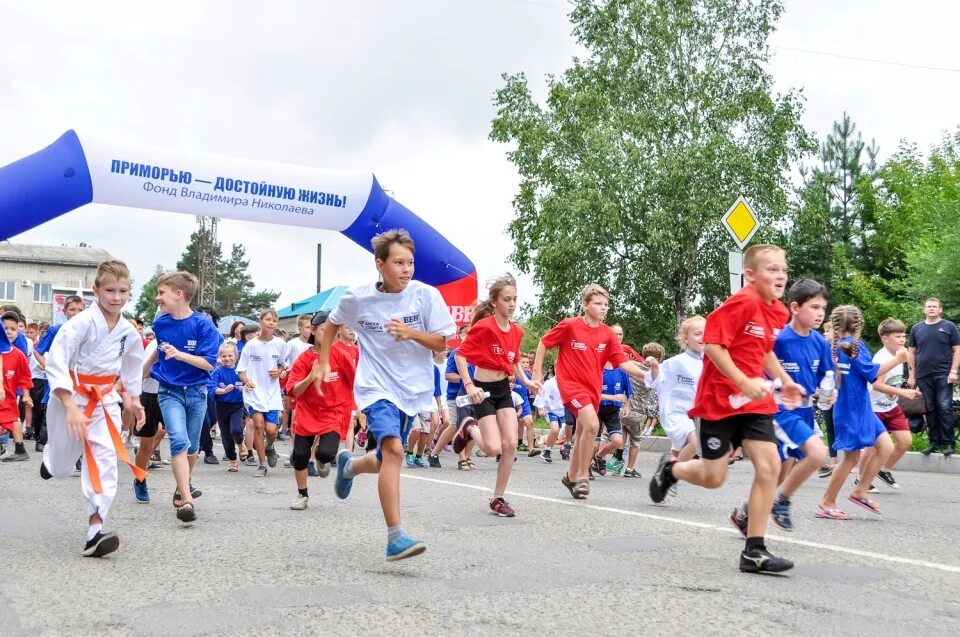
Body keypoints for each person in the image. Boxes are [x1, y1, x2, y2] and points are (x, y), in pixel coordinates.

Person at [647, 244, 803, 574]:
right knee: (713, 477)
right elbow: (714, 346)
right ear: (750, 274)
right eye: (771, 269)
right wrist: (742, 381)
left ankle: (754, 550)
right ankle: (671, 469)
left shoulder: (777, 311)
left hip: (755, 403)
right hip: (718, 402)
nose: (780, 275)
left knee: (770, 465)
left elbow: (763, 353)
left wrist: (785, 380)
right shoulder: (741, 303)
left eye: (783, 270)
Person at [322, 229, 456, 560]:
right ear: (380, 265)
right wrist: (322, 361)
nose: (407, 269)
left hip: (412, 390)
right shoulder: (359, 297)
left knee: (385, 459)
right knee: (395, 450)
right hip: (375, 387)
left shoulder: (425, 296)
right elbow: (330, 327)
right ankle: (395, 536)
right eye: (399, 263)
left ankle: (350, 466)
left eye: (410, 263)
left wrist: (411, 333)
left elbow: (443, 344)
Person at [39, 260, 146, 557]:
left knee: (104, 458)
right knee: (62, 467)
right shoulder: (79, 324)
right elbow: (57, 364)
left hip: (105, 400)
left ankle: (95, 528)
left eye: (123, 290)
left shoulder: (128, 330)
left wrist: (134, 399)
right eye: (110, 290)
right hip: (71, 397)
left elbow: (133, 364)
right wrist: (71, 406)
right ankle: (50, 459)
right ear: (95, 289)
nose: (116, 297)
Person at [730, 280, 831, 534]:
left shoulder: (819, 342)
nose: (820, 313)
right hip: (780, 410)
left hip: (806, 410)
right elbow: (759, 368)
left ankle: (744, 512)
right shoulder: (780, 339)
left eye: (823, 308)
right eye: (814, 307)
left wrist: (829, 391)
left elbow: (825, 375)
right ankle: (781, 502)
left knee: (780, 472)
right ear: (795, 307)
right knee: (817, 454)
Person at [532, 284, 648, 500]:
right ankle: (583, 476)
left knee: (584, 432)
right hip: (571, 386)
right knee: (593, 425)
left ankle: (570, 476)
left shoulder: (607, 334)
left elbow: (622, 363)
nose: (603, 308)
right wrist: (537, 374)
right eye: (598, 304)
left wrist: (649, 375)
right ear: (585, 305)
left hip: (592, 389)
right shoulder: (570, 326)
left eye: (606, 305)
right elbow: (544, 343)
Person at [453, 274, 540, 516]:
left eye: (515, 299)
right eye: (506, 299)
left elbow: (513, 361)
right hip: (482, 389)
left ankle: (498, 497)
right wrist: (470, 386)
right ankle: (469, 428)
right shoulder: (484, 327)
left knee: (510, 444)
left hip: (503, 389)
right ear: (494, 302)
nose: (512, 304)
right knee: (491, 448)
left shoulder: (517, 331)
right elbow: (460, 356)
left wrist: (526, 381)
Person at [817, 305, 908, 519]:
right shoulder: (853, 346)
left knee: (885, 446)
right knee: (850, 458)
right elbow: (872, 374)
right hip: (851, 410)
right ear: (859, 324)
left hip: (861, 407)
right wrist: (898, 359)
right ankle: (826, 502)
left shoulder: (840, 345)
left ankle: (860, 491)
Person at [147, 271, 220, 523]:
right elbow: (156, 354)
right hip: (169, 391)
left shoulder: (203, 325)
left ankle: (182, 485)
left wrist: (179, 354)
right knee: (178, 441)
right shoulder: (161, 324)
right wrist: (134, 379)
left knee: (192, 447)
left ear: (179, 295)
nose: (158, 298)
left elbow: (209, 364)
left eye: (162, 293)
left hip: (197, 392)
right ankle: (187, 501)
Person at [286, 310, 359, 510]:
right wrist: (310, 377)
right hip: (307, 411)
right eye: (324, 330)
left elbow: (356, 382)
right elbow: (293, 390)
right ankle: (302, 494)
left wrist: (359, 408)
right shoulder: (303, 359)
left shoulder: (341, 355)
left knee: (327, 452)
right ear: (314, 330)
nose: (329, 334)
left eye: (332, 331)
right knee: (300, 456)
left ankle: (321, 458)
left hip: (333, 412)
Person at [866, 318, 923, 489]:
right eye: (897, 337)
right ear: (885, 339)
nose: (902, 340)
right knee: (874, 448)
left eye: (903, 336)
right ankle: (862, 479)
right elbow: (875, 383)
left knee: (905, 441)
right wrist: (902, 392)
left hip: (891, 406)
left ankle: (883, 469)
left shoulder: (900, 355)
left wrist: (910, 381)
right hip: (875, 408)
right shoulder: (882, 358)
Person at [644, 318, 705, 470]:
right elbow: (655, 380)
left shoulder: (709, 362)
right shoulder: (677, 362)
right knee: (695, 441)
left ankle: (667, 469)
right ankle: (669, 474)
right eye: (698, 334)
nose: (703, 337)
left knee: (680, 451)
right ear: (686, 338)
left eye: (706, 333)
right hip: (674, 412)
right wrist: (654, 367)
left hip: (693, 414)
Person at [237, 309, 289, 477]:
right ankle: (262, 464)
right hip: (254, 393)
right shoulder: (251, 345)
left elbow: (283, 365)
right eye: (268, 319)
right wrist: (247, 381)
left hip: (272, 393)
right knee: (258, 426)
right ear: (261, 322)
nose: (271, 322)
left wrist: (279, 371)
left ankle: (269, 446)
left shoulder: (280, 344)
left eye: (274, 320)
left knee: (272, 430)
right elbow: (241, 370)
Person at [907, 298, 960, 457]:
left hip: (943, 374)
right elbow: (911, 353)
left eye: (934, 306)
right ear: (924, 309)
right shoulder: (917, 328)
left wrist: (954, 371)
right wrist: (911, 376)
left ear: (940, 309)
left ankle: (948, 444)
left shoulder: (949, 326)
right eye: (928, 306)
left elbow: (957, 350)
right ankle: (933, 443)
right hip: (923, 375)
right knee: (929, 409)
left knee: (944, 408)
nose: (931, 309)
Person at [428, 326, 472, 469]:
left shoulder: (478, 353)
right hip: (456, 396)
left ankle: (466, 457)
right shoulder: (456, 353)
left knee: (472, 426)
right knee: (454, 425)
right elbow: (448, 375)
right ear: (460, 335)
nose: (470, 336)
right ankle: (434, 453)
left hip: (473, 396)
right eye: (466, 333)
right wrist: (467, 380)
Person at [0, 312, 33, 462]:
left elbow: (24, 377)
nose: (8, 331)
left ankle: (20, 450)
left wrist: (26, 395)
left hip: (8, 397)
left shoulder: (19, 355)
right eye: (5, 328)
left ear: (18, 331)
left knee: (14, 419)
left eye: (13, 329)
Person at [211, 342, 245, 472]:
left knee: (236, 429)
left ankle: (241, 443)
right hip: (221, 406)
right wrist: (222, 390)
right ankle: (232, 459)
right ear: (220, 357)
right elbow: (211, 387)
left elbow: (250, 384)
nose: (227, 359)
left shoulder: (240, 371)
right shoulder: (217, 371)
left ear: (236, 356)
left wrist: (245, 388)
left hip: (237, 405)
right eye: (224, 356)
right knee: (226, 435)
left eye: (230, 355)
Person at [406, 363, 443, 468]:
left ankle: (418, 456)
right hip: (412, 403)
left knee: (425, 433)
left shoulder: (433, 368)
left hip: (426, 403)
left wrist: (439, 405)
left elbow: (437, 389)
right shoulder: (411, 366)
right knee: (416, 430)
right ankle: (409, 453)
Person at [533, 375, 564, 463]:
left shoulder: (568, 381)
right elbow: (540, 394)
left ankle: (547, 450)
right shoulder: (549, 383)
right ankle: (547, 451)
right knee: (555, 429)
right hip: (550, 409)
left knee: (556, 432)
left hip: (562, 410)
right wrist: (540, 408)